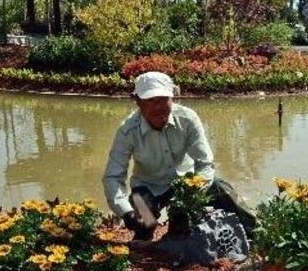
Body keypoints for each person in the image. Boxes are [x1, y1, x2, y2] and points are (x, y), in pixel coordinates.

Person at [102, 72, 255, 240]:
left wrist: (191, 195)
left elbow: (205, 164)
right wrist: (126, 213)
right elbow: (113, 177)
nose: (158, 107)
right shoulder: (127, 130)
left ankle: (258, 236)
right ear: (137, 101)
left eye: (163, 99)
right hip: (148, 187)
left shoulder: (188, 119)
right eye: (151, 100)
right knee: (144, 221)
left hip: (187, 182)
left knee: (222, 191)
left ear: (172, 97)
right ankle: (144, 244)